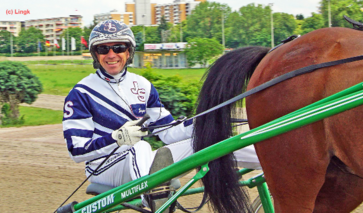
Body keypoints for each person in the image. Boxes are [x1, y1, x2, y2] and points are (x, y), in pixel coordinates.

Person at [62, 20, 261, 212]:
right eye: (103, 49)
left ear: (129, 51)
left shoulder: (142, 85)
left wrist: (201, 121)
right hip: (103, 170)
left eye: (119, 47)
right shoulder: (81, 93)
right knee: (139, 147)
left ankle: (275, 163)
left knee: (206, 142)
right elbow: (77, 152)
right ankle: (153, 202)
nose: (111, 54)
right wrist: (117, 139)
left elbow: (168, 132)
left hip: (144, 163)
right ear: (95, 54)